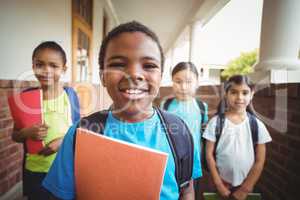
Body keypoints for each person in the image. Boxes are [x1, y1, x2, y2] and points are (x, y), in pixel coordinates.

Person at [42, 21, 201, 200]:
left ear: (161, 75)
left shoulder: (179, 133)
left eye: (149, 65)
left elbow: (186, 190)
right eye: (118, 64)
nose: (134, 74)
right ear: (102, 76)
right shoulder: (81, 133)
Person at [11, 41, 80, 200]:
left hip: (64, 167)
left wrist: (62, 141)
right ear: (33, 66)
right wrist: (26, 132)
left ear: (64, 69)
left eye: (54, 66)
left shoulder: (70, 95)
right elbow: (15, 136)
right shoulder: (26, 98)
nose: (46, 70)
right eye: (39, 64)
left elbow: (78, 129)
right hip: (35, 170)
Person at [203, 75, 272, 200]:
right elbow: (209, 155)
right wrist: (219, 184)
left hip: (246, 186)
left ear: (252, 95)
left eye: (245, 93)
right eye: (234, 92)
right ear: (226, 94)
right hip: (220, 184)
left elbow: (259, 160)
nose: (239, 97)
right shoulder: (215, 122)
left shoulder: (257, 125)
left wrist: (246, 188)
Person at [160, 62, 208, 198]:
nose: (183, 87)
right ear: (172, 82)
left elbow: (202, 133)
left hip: (193, 162)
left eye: (188, 82)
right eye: (178, 81)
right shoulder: (166, 105)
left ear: (197, 83)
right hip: (171, 160)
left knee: (189, 193)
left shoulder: (201, 107)